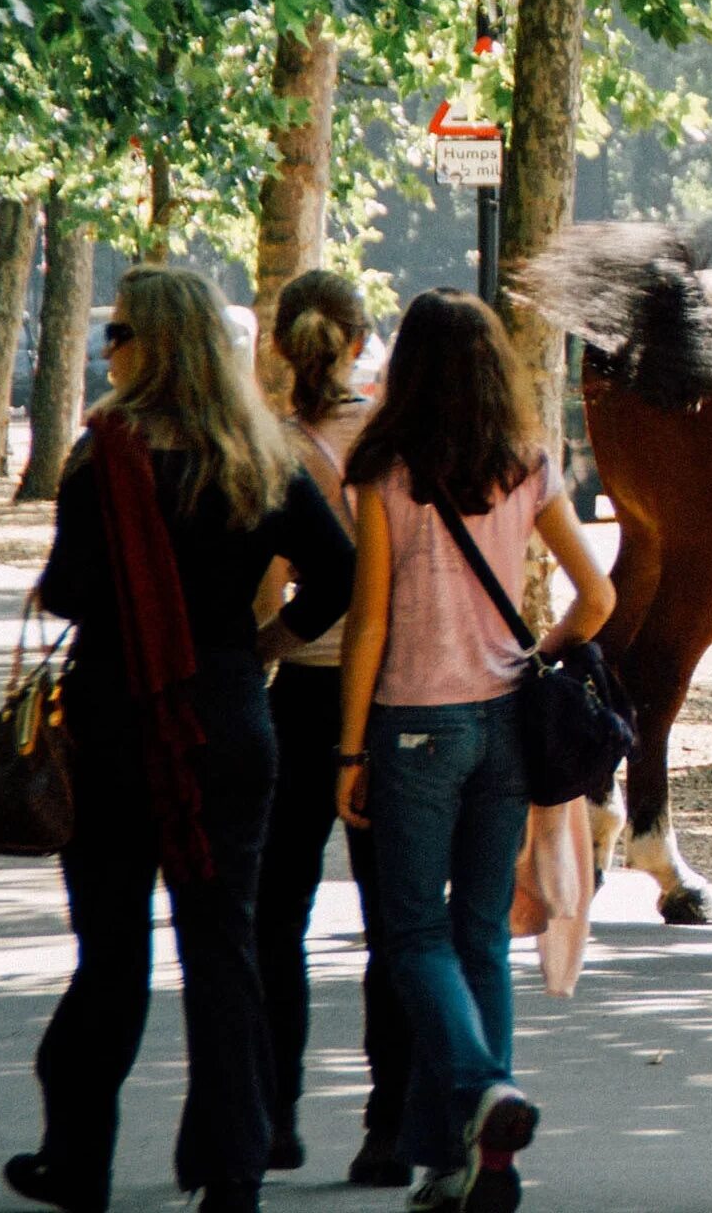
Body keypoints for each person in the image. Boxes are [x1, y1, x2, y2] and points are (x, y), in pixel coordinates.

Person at [8, 266, 357, 1213]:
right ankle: (230, 1168)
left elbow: (71, 590)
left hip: (120, 719)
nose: (108, 347)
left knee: (112, 950)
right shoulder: (259, 455)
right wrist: (266, 643)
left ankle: (79, 1159)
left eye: (117, 332)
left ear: (154, 344)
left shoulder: (105, 455)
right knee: (223, 946)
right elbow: (340, 573)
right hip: (230, 714)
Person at [330, 290, 616, 1213]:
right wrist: (542, 654)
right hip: (504, 724)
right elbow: (597, 595)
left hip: (415, 723)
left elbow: (369, 618)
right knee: (481, 935)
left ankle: (481, 1095)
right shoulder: (527, 464)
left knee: (411, 933)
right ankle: (473, 1161)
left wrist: (346, 751)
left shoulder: (386, 468)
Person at [248, 271, 413, 1186]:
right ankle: (386, 1127)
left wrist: (265, 644)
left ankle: (276, 1114)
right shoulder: (398, 444)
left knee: (279, 913)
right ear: (360, 343)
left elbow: (270, 588)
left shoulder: (275, 450)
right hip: (392, 695)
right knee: (393, 923)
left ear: (281, 347)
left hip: (305, 696)